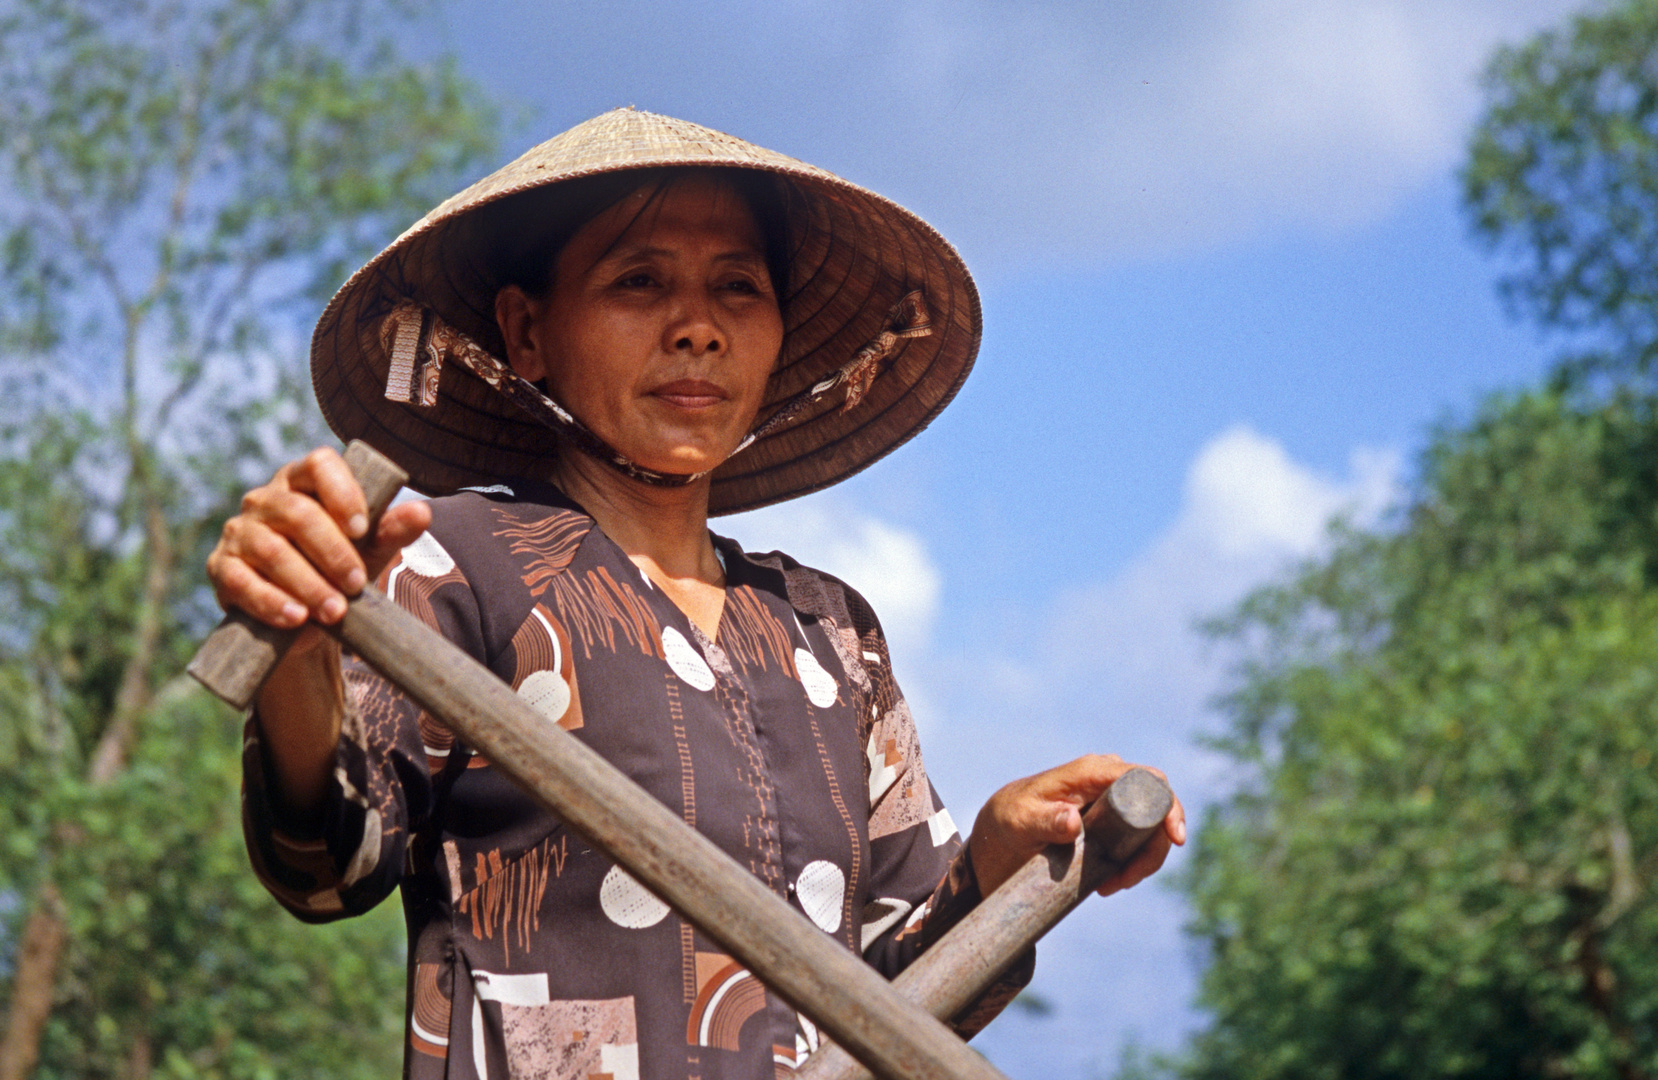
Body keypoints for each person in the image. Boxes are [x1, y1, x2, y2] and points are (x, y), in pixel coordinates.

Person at [208, 108, 1185, 1080]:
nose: (697, 329)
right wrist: (296, 643)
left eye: (737, 288)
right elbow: (327, 865)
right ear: (526, 331)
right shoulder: (457, 564)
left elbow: (903, 1004)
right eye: (638, 281)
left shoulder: (828, 631)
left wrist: (998, 859)